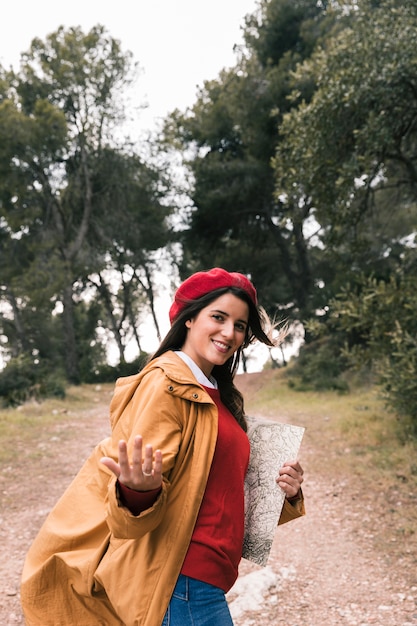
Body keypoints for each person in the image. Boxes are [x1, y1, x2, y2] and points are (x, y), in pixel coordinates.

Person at [21, 267, 305, 626]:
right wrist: (137, 491)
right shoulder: (166, 386)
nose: (229, 332)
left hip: (204, 580)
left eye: (239, 325)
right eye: (218, 317)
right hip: (182, 581)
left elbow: (221, 496)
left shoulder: (215, 393)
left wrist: (288, 493)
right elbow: (132, 509)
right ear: (189, 318)